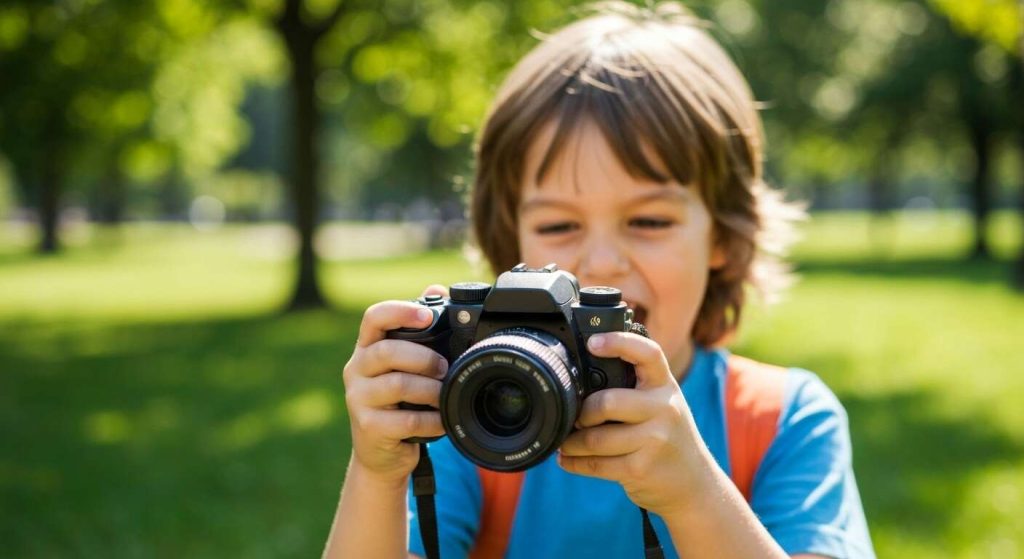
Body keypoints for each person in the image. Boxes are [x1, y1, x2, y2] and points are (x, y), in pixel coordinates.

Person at [323, 2, 875, 558]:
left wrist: (693, 495)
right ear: (509, 243)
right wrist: (378, 474)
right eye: (559, 224)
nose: (601, 262)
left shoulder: (781, 420)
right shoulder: (471, 409)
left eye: (649, 221)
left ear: (725, 240)